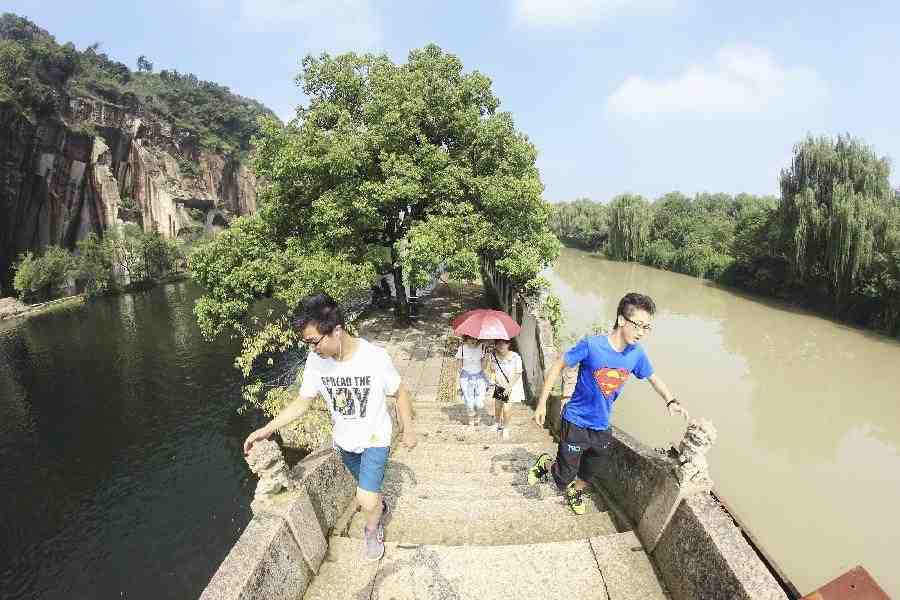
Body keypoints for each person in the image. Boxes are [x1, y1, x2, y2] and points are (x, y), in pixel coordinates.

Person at [243, 293, 417, 561]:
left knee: (365, 496)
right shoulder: (316, 362)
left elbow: (400, 392)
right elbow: (302, 403)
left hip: (375, 439)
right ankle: (380, 506)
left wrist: (408, 429)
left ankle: (372, 528)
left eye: (314, 341)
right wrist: (266, 429)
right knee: (368, 492)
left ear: (337, 331)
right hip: (344, 442)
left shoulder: (374, 357)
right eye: (307, 343)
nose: (312, 349)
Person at [527, 292, 689, 515]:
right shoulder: (592, 346)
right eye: (638, 325)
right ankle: (546, 464)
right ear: (622, 320)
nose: (642, 333)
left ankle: (577, 491)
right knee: (563, 477)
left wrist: (670, 400)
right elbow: (558, 365)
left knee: (591, 470)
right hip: (575, 421)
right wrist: (542, 404)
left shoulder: (636, 355)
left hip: (601, 425)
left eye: (647, 327)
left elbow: (653, 377)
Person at [488, 338, 525, 440]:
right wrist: (491, 369)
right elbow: (493, 371)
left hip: (511, 386)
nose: (501, 346)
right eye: (498, 344)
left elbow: (518, 373)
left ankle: (506, 428)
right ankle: (497, 424)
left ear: (508, 344)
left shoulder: (515, 357)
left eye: (503, 344)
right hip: (500, 384)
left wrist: (509, 387)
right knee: (498, 406)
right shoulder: (494, 356)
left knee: (506, 408)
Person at [455, 334, 490, 426]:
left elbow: (483, 367)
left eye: (475, 338)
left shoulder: (482, 348)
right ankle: (471, 421)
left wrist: (486, 357)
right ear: (466, 338)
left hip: (479, 377)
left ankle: (478, 417)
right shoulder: (461, 349)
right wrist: (459, 383)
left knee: (479, 403)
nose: (473, 340)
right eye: (470, 337)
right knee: (469, 402)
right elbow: (459, 367)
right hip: (466, 377)